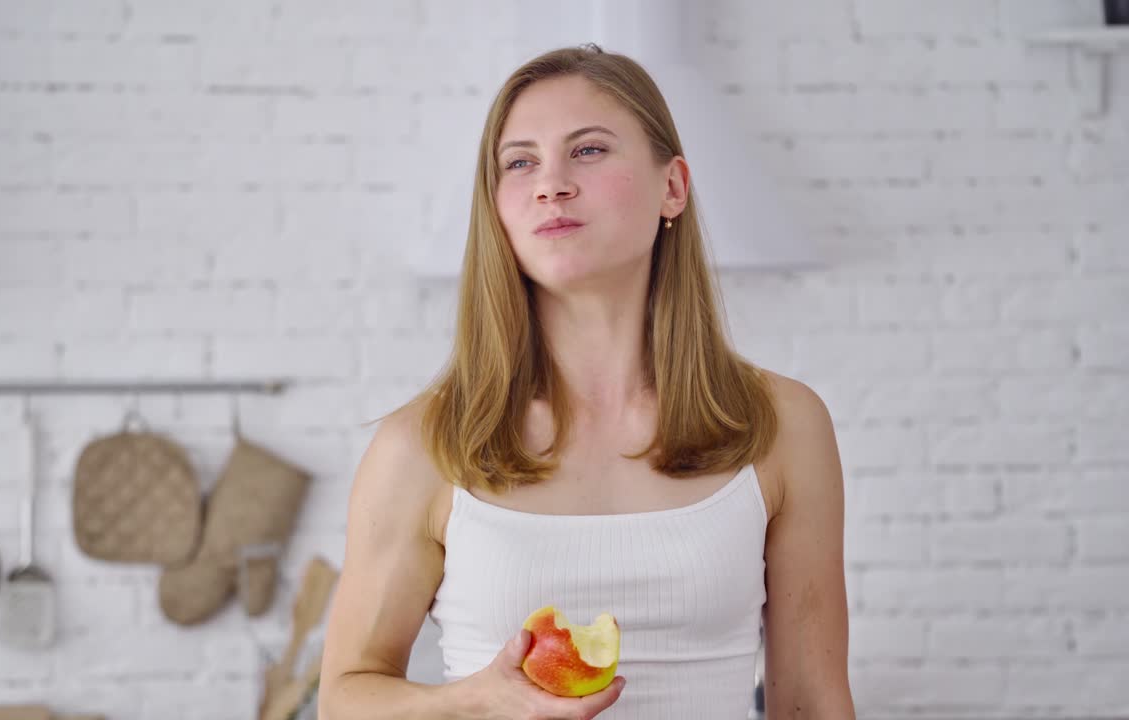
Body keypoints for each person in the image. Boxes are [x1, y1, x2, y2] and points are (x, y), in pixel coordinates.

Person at [318, 44, 855, 719]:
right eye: (520, 163)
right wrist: (473, 701)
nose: (551, 184)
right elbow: (344, 699)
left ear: (673, 187)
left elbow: (812, 702)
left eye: (589, 150)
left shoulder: (784, 426)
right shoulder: (421, 445)